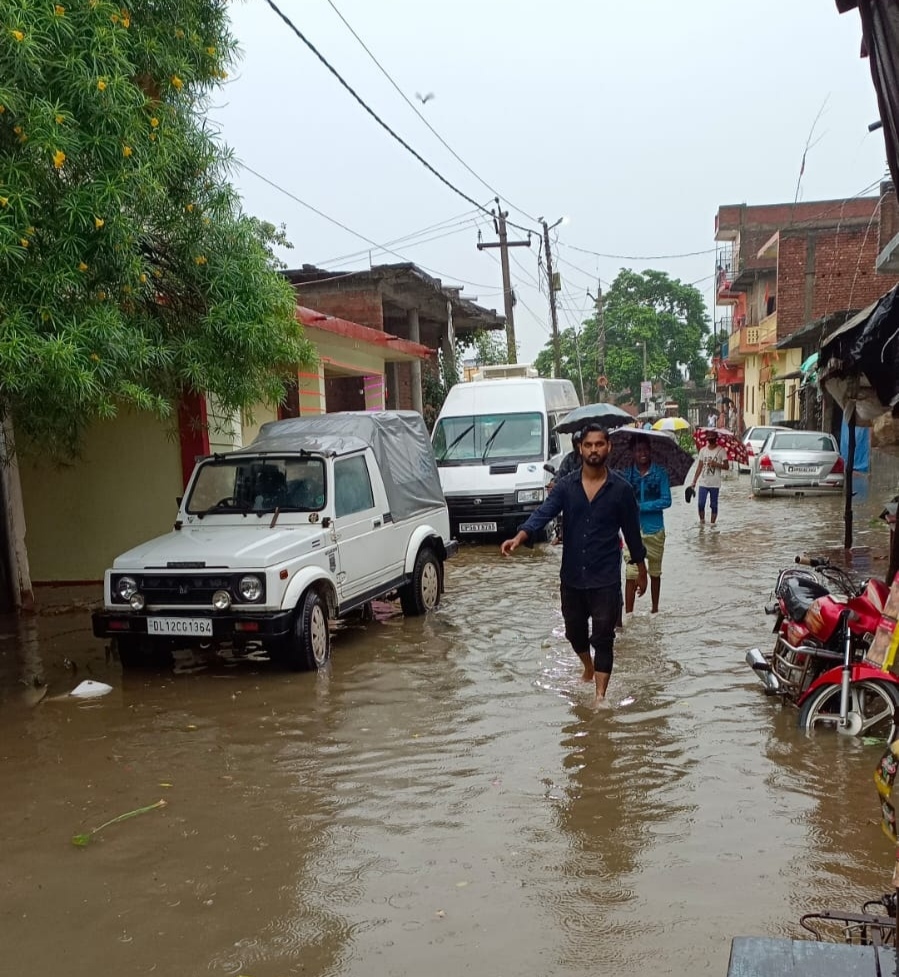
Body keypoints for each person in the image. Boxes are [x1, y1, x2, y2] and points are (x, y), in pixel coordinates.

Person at [500, 424, 648, 706]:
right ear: (580, 448)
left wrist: (641, 571)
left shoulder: (622, 490)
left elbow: (632, 533)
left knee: (603, 637)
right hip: (572, 576)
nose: (594, 450)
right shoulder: (566, 486)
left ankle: (600, 697)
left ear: (608, 447)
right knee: (574, 632)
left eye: (599, 444)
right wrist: (520, 535)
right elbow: (544, 512)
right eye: (589, 445)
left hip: (605, 577)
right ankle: (587, 667)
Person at [621, 434, 671, 614]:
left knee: (655, 572)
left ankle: (655, 610)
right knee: (630, 572)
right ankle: (629, 614)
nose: (642, 453)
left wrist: (643, 506)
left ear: (650, 451)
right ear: (633, 453)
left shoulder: (660, 473)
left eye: (644, 450)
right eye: (638, 450)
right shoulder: (627, 475)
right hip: (633, 529)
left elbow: (667, 500)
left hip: (655, 529)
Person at [690, 429, 729, 526]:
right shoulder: (703, 450)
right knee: (700, 504)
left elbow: (727, 466)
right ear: (706, 438)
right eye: (709, 436)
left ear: (716, 438)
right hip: (703, 482)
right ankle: (702, 522)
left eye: (712, 436)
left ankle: (712, 525)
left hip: (715, 484)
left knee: (714, 505)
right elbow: (699, 466)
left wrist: (717, 464)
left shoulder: (721, 450)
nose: (710, 438)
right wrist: (694, 481)